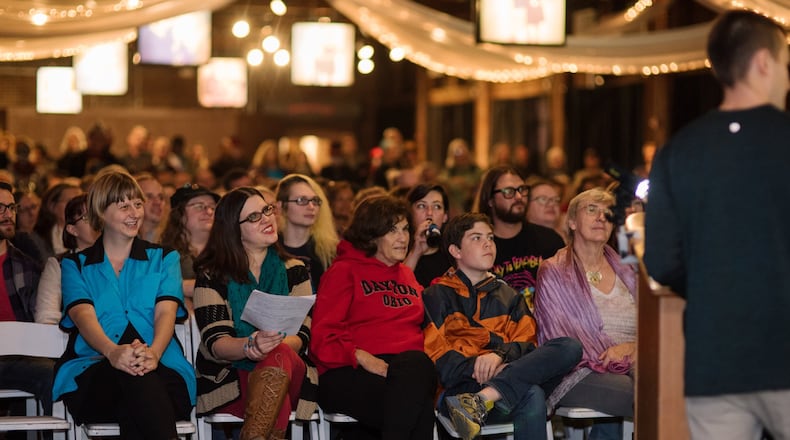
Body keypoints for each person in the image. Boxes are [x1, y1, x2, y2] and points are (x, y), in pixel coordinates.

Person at [644, 10, 790, 440]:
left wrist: (713, 287)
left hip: (713, 358)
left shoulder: (677, 152)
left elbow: (662, 262)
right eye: (786, 65)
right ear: (763, 62)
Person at [52, 170, 195, 438]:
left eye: (137, 204)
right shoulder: (75, 265)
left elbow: (165, 313)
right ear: (100, 211)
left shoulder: (164, 258)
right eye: (123, 206)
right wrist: (113, 352)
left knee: (138, 382)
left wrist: (153, 353)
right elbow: (83, 316)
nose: (134, 213)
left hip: (162, 367)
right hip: (96, 372)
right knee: (135, 378)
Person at [422, 212, 582, 440]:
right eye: (476, 238)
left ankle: (482, 399)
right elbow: (438, 360)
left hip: (505, 384)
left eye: (490, 237)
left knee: (570, 347)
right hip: (460, 391)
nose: (488, 243)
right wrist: (482, 366)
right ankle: (480, 399)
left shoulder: (510, 296)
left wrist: (498, 356)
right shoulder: (436, 295)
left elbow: (528, 346)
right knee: (532, 393)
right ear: (456, 251)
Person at [193, 187, 317, 440]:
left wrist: (269, 346)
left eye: (267, 210)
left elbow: (302, 336)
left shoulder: (296, 270)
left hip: (290, 370)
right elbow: (216, 343)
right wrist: (251, 346)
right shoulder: (212, 276)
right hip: (231, 377)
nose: (267, 219)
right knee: (276, 366)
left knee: (279, 353)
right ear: (233, 229)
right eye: (253, 217)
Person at [310, 195, 437, 440]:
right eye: (392, 230)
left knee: (416, 367)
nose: (403, 238)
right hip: (351, 368)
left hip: (407, 371)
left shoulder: (406, 275)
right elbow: (322, 338)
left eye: (405, 229)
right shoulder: (344, 271)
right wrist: (362, 357)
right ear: (371, 235)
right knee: (418, 407)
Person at [535, 189, 636, 439]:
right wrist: (615, 354)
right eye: (591, 210)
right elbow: (558, 340)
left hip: (635, 359)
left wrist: (633, 348)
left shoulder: (629, 268)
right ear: (571, 221)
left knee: (676, 381)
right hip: (577, 372)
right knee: (649, 394)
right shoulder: (554, 271)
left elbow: (654, 323)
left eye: (607, 213)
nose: (601, 217)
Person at [472, 166, 565, 311]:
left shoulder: (550, 240)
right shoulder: (478, 248)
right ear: (490, 200)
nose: (519, 197)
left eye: (522, 189)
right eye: (509, 192)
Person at [0, 181, 52, 415]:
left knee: (56, 373)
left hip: (18, 357)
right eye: (0, 208)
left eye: (11, 207)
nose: (8, 215)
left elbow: (40, 326)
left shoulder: (27, 266)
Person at [35, 194, 99, 324]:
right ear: (72, 229)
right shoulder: (59, 264)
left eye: (99, 215)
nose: (96, 222)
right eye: (88, 217)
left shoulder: (120, 258)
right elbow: (47, 316)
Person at [160, 183, 219, 312]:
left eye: (213, 207)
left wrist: (184, 286)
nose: (209, 212)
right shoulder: (163, 255)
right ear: (179, 213)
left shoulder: (226, 252)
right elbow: (154, 287)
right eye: (199, 206)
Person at [275, 174, 338, 293]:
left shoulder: (330, 252)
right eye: (301, 200)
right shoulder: (271, 250)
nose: (311, 206)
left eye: (315, 200)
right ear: (281, 206)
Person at [402, 183, 453, 288]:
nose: (429, 213)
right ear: (410, 212)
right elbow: (397, 289)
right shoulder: (398, 249)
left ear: (445, 216)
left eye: (437, 206)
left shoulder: (454, 253)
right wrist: (416, 252)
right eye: (421, 206)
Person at [33, 182, 82, 257]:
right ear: (52, 206)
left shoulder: (90, 233)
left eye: (81, 202)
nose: (77, 207)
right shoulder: (39, 238)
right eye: (70, 201)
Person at [135, 173, 166, 243]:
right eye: (149, 197)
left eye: (161, 197)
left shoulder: (172, 241)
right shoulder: (123, 240)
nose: (158, 202)